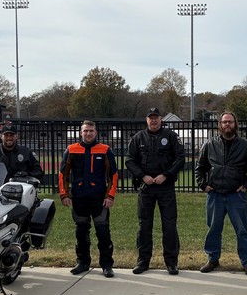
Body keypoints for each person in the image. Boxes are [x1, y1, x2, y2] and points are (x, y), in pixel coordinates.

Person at [195, 112, 247, 276]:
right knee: (213, 229)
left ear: (235, 124)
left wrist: (246, 186)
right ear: (220, 124)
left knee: (242, 230)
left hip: (236, 195)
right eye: (224, 122)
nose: (227, 125)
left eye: (230, 122)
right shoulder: (210, 144)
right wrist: (203, 184)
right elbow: (200, 167)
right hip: (215, 195)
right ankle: (213, 259)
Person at [125, 107, 185, 275]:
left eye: (156, 117)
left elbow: (180, 158)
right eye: (150, 117)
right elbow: (129, 160)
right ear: (146, 120)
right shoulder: (138, 138)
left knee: (169, 225)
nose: (153, 120)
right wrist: (142, 176)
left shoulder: (171, 136)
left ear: (160, 119)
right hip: (146, 188)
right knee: (144, 225)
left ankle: (171, 263)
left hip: (166, 187)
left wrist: (166, 175)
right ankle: (143, 261)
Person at [59, 120, 118, 278]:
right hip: (79, 198)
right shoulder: (71, 149)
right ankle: (83, 262)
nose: (88, 133)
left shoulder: (105, 150)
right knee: (81, 232)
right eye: (85, 131)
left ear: (96, 132)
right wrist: (64, 194)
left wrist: (110, 196)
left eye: (91, 130)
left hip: (99, 199)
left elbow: (113, 175)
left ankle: (107, 265)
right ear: (81, 133)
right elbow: (63, 174)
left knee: (103, 232)